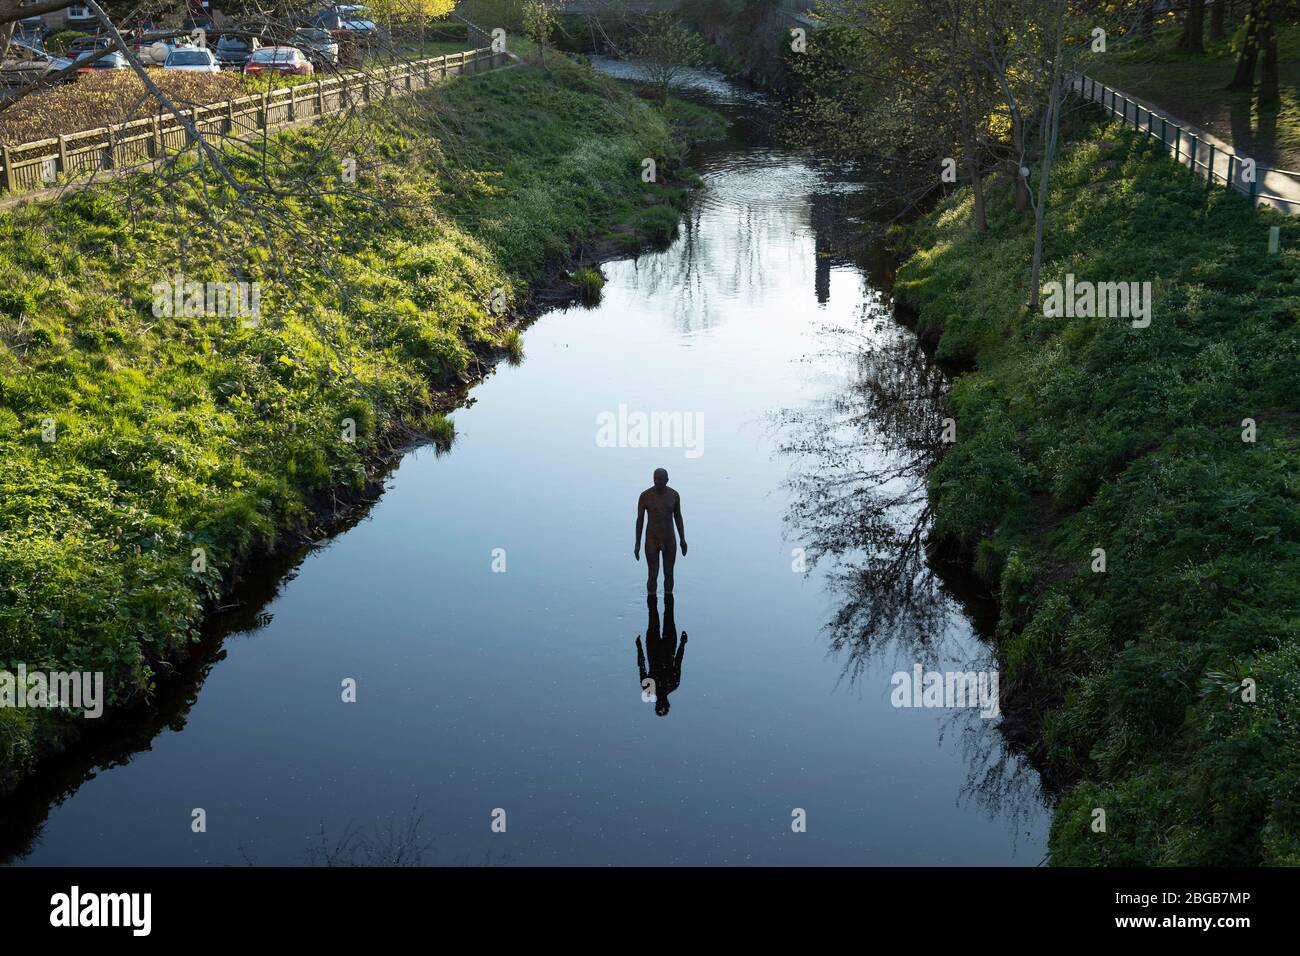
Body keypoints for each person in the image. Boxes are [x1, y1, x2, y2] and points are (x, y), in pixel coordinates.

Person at [634, 467, 686, 595]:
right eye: (655, 480)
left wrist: (682, 539)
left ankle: (669, 601)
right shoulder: (645, 496)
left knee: (669, 573)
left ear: (667, 480)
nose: (658, 483)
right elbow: (640, 520)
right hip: (652, 539)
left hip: (669, 539)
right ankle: (651, 602)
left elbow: (678, 517)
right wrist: (637, 543)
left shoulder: (674, 495)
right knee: (653, 574)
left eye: (661, 480)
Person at [636, 594, 687, 717]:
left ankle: (657, 589)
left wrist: (639, 648)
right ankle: (662, 589)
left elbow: (641, 665)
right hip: (667, 647)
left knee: (657, 612)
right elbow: (678, 661)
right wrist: (682, 643)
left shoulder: (652, 687)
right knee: (664, 612)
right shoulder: (673, 684)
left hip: (655, 647)